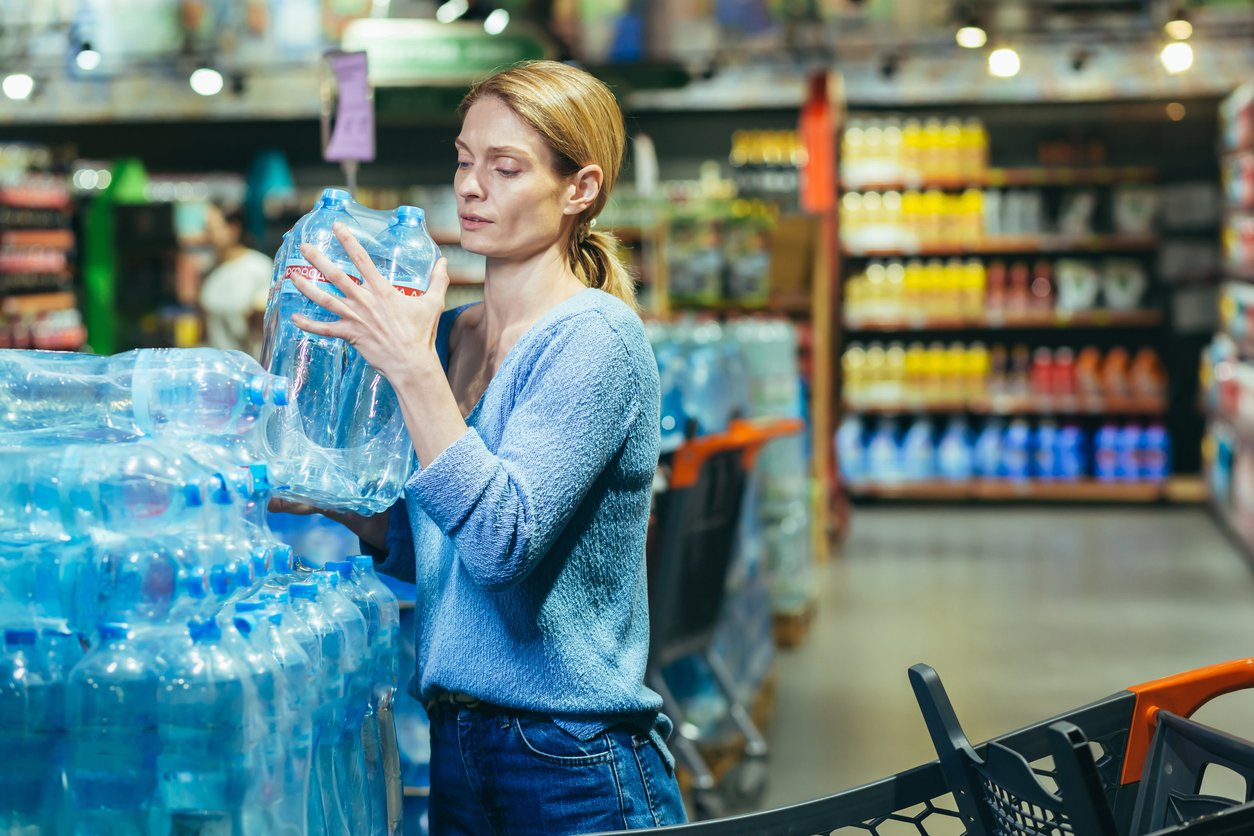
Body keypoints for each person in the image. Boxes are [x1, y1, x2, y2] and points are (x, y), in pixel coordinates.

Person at [279, 60, 687, 833]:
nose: (471, 186)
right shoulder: (452, 333)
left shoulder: (595, 339)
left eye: (506, 168)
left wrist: (409, 367)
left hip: (572, 760)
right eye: (465, 161)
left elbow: (504, 542)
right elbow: (443, 544)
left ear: (580, 189)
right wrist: (320, 498)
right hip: (460, 747)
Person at [199, 202, 273, 358]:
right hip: (217, 369)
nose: (207, 235)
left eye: (211, 229)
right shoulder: (208, 270)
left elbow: (268, 326)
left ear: (233, 229)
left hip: (249, 368)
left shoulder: (258, 267)